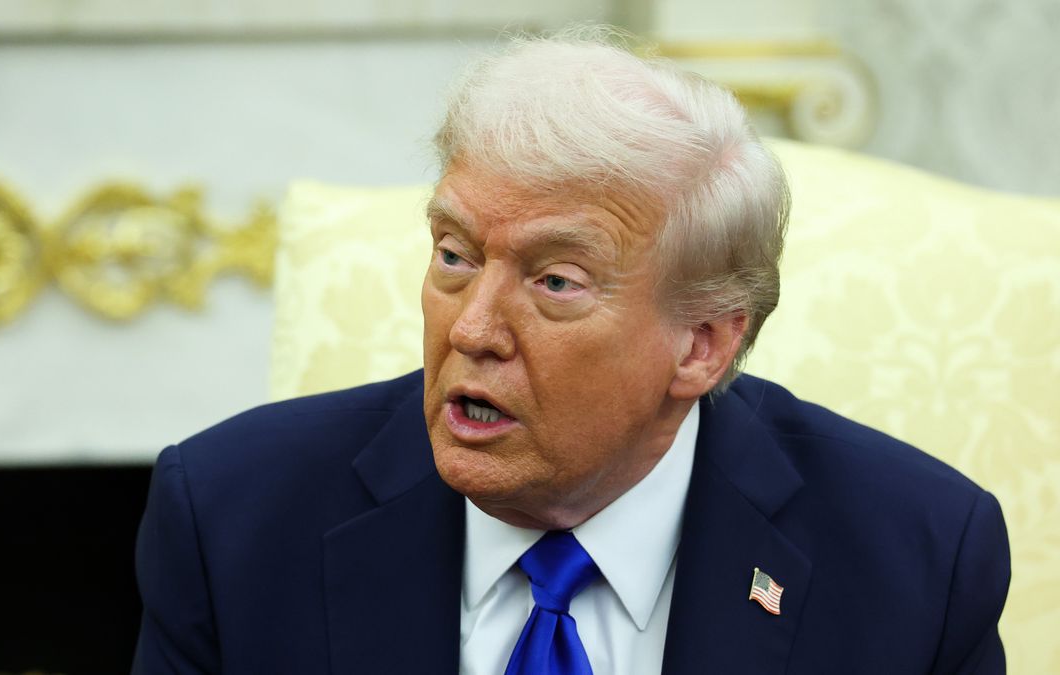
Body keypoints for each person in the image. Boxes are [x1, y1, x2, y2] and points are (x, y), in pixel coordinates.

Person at [131, 28, 1010, 675]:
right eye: (454, 255)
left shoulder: (916, 560)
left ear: (701, 345)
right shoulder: (230, 521)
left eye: (555, 281)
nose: (472, 328)